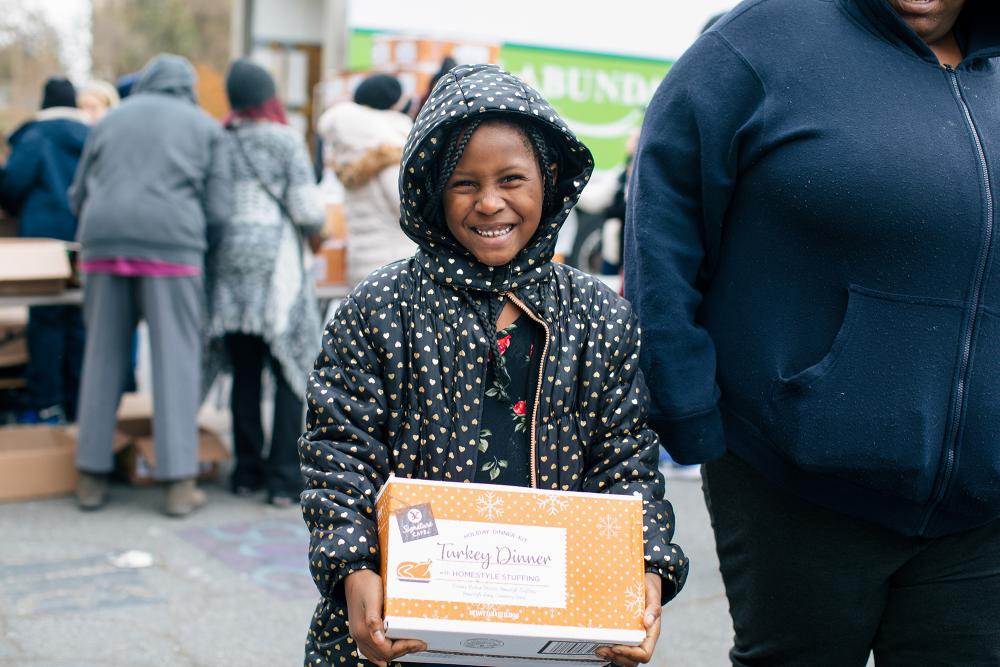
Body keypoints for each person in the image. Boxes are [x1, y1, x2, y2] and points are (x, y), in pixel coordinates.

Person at [625, 0, 1000, 664]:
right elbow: (664, 221)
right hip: (793, 482)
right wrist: (686, 409)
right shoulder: (760, 42)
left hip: (982, 510)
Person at [299, 63, 687, 667]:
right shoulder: (379, 309)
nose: (489, 203)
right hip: (401, 629)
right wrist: (352, 566)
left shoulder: (597, 316)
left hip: (554, 637)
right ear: (430, 187)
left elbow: (625, 460)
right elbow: (338, 449)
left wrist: (646, 569)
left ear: (549, 180)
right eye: (463, 184)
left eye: (512, 179)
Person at [69, 54, 233, 517]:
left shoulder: (111, 119)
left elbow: (79, 192)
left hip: (102, 244)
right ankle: (179, 484)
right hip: (172, 249)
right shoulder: (204, 127)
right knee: (175, 362)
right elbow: (219, 210)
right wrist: (204, 249)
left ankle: (89, 478)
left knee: (101, 356)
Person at [204, 58, 323, 507]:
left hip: (228, 267)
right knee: (291, 369)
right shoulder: (285, 139)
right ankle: (284, 479)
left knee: (245, 371)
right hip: (275, 268)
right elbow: (309, 212)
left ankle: (245, 472)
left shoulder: (219, 139)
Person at [0, 77, 89, 424]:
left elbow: (12, 185)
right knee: (80, 321)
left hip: (45, 243)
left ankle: (46, 405)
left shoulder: (36, 137)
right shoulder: (93, 136)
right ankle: (79, 405)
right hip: (85, 238)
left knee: (46, 320)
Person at [317, 73, 416, 287]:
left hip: (361, 263)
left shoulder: (349, 147)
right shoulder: (388, 148)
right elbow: (407, 209)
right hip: (394, 267)